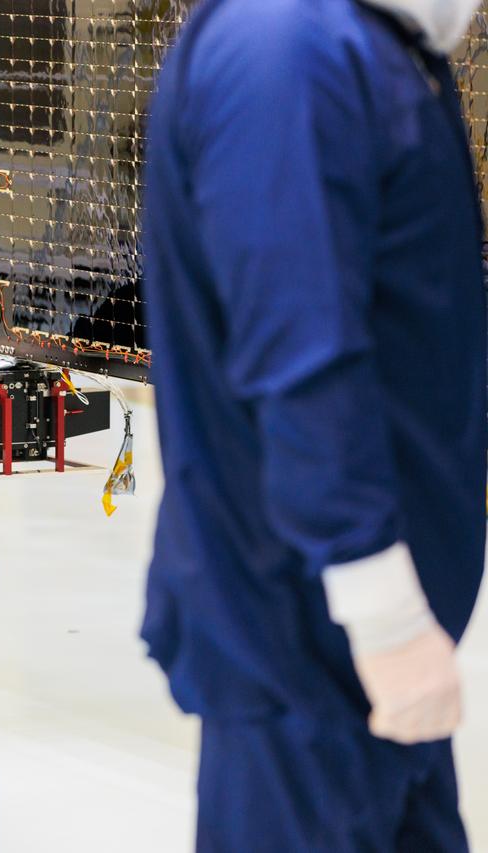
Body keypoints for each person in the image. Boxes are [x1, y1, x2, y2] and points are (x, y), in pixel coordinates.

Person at [140, 0, 485, 849]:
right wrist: (388, 619)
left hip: (371, 649)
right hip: (307, 643)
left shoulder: (377, 48)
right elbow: (301, 357)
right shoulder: (286, 51)